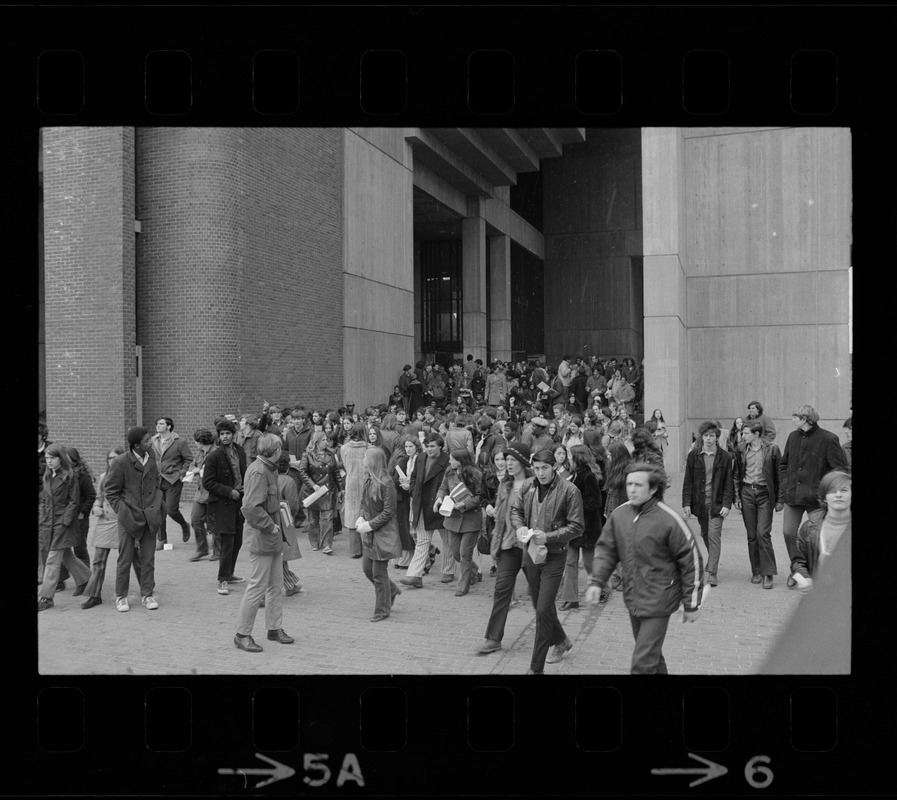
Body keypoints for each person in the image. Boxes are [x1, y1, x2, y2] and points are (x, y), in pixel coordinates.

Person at [585, 462, 706, 674]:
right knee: (652, 657)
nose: (631, 489)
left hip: (660, 598)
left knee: (642, 664)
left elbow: (691, 561)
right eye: (629, 484)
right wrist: (597, 581)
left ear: (652, 489)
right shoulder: (619, 515)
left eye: (638, 485)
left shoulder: (670, 520)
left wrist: (691, 604)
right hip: (633, 596)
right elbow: (606, 550)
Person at [510, 448, 584, 674]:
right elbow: (516, 510)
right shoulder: (528, 485)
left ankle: (536, 668)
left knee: (542, 610)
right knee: (540, 604)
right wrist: (519, 525)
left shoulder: (569, 490)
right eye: (537, 468)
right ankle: (561, 640)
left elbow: (577, 526)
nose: (540, 473)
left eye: (545, 468)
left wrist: (549, 536)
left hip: (555, 554)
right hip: (531, 551)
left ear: (555, 467)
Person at [233, 433, 294, 652]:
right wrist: (271, 526)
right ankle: (242, 634)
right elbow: (250, 508)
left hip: (272, 536)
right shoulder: (259, 471)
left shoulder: (268, 468)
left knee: (275, 585)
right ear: (275, 451)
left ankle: (274, 628)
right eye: (280, 449)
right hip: (263, 536)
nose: (282, 452)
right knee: (257, 586)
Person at [779, 404, 849, 587]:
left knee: (818, 537)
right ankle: (798, 569)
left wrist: (825, 490)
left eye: (795, 416)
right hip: (793, 496)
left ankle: (817, 573)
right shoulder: (792, 437)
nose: (792, 420)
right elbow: (784, 464)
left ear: (805, 419)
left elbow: (839, 471)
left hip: (816, 499)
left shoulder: (828, 439)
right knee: (788, 533)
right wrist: (786, 484)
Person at [477, 442, 534, 655]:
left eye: (512, 460)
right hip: (509, 546)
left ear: (523, 461)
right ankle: (493, 639)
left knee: (539, 597)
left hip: (529, 547)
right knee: (501, 591)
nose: (508, 464)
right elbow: (501, 517)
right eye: (506, 460)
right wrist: (496, 540)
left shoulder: (534, 485)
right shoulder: (505, 485)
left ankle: (559, 639)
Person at [104, 426, 164, 612]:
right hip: (129, 516)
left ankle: (147, 594)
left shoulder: (152, 457)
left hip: (150, 515)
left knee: (148, 558)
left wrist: (158, 502)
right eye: (147, 440)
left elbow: (157, 483)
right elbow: (111, 491)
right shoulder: (121, 462)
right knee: (125, 557)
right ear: (136, 445)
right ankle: (121, 596)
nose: (151, 442)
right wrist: (123, 512)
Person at [80, 445, 141, 609]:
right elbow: (99, 497)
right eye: (109, 459)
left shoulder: (131, 477)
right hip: (105, 520)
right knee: (98, 560)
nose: (112, 461)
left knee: (134, 557)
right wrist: (96, 507)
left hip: (125, 520)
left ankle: (146, 589)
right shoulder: (103, 477)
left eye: (115, 458)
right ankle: (94, 595)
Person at [37, 443, 91, 610]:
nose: (49, 461)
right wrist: (42, 517)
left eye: (52, 458)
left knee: (53, 560)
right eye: (47, 458)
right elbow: (45, 500)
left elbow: (74, 501)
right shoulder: (47, 475)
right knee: (67, 556)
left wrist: (65, 521)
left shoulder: (70, 476)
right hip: (48, 522)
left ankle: (46, 598)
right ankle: (89, 580)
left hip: (63, 523)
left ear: (61, 458)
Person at [682, 420, 734, 587]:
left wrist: (727, 504)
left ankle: (712, 572)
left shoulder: (725, 457)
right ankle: (711, 562)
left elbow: (728, 483)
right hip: (700, 503)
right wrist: (686, 503)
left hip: (717, 503)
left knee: (713, 535)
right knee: (705, 533)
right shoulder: (694, 456)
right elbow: (688, 481)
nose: (709, 439)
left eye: (712, 436)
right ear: (702, 437)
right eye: (706, 436)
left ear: (717, 438)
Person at [354, 447, 404, 621]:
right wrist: (361, 517)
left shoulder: (386, 483)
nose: (363, 462)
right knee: (368, 569)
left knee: (378, 573)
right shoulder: (369, 480)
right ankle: (392, 590)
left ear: (373, 461)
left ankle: (382, 609)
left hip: (383, 534)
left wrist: (370, 525)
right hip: (370, 533)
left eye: (365, 458)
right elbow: (363, 502)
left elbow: (389, 511)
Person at [733, 422, 783, 588]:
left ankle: (768, 573)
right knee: (752, 535)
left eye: (746, 433)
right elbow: (736, 475)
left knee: (763, 533)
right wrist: (737, 498)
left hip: (764, 495)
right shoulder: (741, 449)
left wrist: (780, 499)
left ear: (756, 434)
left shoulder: (772, 449)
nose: (743, 436)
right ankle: (756, 570)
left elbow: (779, 475)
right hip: (747, 492)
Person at [203, 419, 248, 596]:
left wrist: (244, 488)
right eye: (222, 434)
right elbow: (208, 482)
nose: (225, 437)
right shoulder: (214, 456)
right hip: (223, 503)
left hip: (239, 502)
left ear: (233, 434)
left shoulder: (240, 451)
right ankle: (222, 579)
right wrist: (229, 492)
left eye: (228, 433)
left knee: (238, 540)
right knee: (227, 542)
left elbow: (243, 473)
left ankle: (229, 573)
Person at [400, 433, 451, 589]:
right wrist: (413, 491)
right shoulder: (421, 458)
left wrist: (444, 499)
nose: (429, 449)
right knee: (422, 540)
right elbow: (414, 477)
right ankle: (415, 575)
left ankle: (448, 570)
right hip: (422, 503)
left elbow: (450, 481)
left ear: (440, 446)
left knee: (448, 540)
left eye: (432, 446)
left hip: (440, 504)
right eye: (427, 446)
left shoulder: (447, 460)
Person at [791, 470, 851, 595]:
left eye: (844, 490)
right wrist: (805, 578)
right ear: (824, 497)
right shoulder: (809, 528)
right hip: (820, 599)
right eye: (833, 491)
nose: (838, 495)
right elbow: (798, 562)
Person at [559, 445, 604, 611]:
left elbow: (596, 502)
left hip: (587, 528)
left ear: (578, 458)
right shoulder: (576, 474)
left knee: (588, 563)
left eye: (571, 456)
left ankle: (602, 587)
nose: (568, 458)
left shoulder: (588, 476)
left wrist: (575, 506)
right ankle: (571, 598)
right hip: (574, 527)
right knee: (570, 562)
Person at [435, 449, 484, 597]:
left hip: (470, 519)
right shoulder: (450, 471)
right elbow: (443, 487)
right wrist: (439, 498)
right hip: (453, 517)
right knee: (455, 551)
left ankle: (463, 585)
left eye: (451, 459)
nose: (449, 461)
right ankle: (473, 572)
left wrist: (464, 504)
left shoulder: (476, 474)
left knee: (465, 553)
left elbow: (480, 496)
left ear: (460, 461)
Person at [150, 416, 194, 550]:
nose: (158, 426)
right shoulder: (153, 440)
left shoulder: (179, 441)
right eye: (157, 423)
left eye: (161, 424)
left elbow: (188, 458)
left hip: (173, 479)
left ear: (169, 426)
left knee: (170, 509)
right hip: (157, 480)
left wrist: (182, 473)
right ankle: (162, 539)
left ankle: (184, 524)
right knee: (158, 510)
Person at [298, 431, 344, 555]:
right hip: (313, 491)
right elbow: (302, 472)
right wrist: (313, 485)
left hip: (328, 490)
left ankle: (327, 544)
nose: (326, 442)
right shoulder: (308, 455)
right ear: (316, 441)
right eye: (323, 440)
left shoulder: (331, 454)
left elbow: (336, 473)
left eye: (327, 440)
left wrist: (341, 489)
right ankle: (314, 541)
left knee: (327, 518)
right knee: (313, 519)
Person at [389, 435, 420, 569]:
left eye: (410, 446)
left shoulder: (418, 461)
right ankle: (403, 559)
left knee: (411, 529)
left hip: (411, 498)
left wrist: (409, 485)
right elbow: (395, 480)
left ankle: (414, 558)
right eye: (406, 446)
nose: (408, 449)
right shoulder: (402, 461)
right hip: (403, 498)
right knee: (404, 529)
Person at [275, 451, 303, 597]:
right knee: (280, 555)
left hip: (269, 520)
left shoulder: (268, 477)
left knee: (279, 555)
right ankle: (289, 584)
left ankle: (291, 584)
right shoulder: (288, 480)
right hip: (283, 520)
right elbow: (293, 504)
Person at [187, 428, 216, 562]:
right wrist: (197, 470)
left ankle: (218, 550)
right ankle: (202, 549)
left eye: (196, 441)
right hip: (201, 492)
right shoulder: (199, 453)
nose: (195, 443)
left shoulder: (216, 453)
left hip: (214, 493)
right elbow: (191, 467)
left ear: (201, 441)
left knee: (216, 522)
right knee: (195, 519)